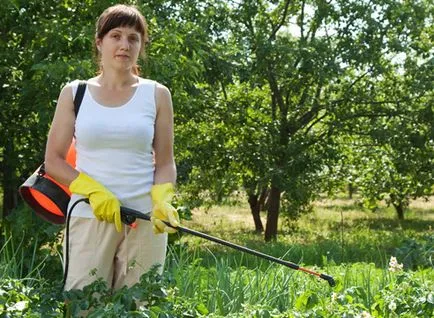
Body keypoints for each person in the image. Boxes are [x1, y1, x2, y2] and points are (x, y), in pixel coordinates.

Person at [44, 4, 180, 291]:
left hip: (144, 220)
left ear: (142, 46)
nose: (124, 45)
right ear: (99, 42)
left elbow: (165, 162)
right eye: (115, 36)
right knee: (83, 305)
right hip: (89, 215)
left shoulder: (157, 94)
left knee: (140, 306)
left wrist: (163, 200)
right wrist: (93, 191)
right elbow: (54, 161)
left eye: (133, 38)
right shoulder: (75, 92)